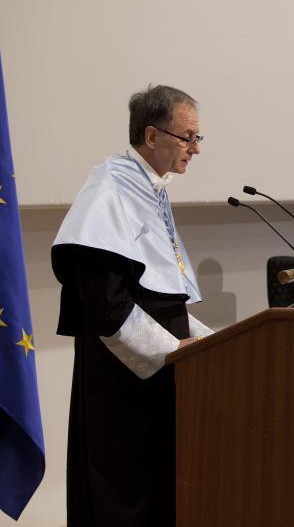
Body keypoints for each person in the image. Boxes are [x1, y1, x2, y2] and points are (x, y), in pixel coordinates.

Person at [51, 85, 213, 527]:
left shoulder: (151, 189)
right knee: (125, 491)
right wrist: (173, 351)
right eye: (188, 137)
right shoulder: (109, 190)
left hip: (160, 376)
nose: (196, 148)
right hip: (122, 385)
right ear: (152, 135)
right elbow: (106, 304)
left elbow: (160, 294)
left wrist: (210, 342)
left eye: (198, 137)